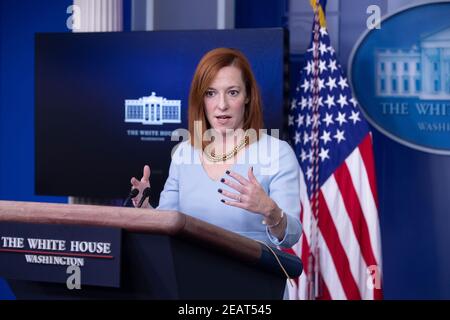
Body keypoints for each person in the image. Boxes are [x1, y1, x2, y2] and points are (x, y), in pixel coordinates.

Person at [130, 47, 301, 248]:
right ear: (200, 98)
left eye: (233, 92)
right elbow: (168, 222)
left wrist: (270, 211)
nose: (222, 105)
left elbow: (291, 237)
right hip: (188, 274)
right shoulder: (185, 152)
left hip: (252, 276)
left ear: (247, 96)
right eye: (211, 93)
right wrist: (145, 207)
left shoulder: (278, 153)